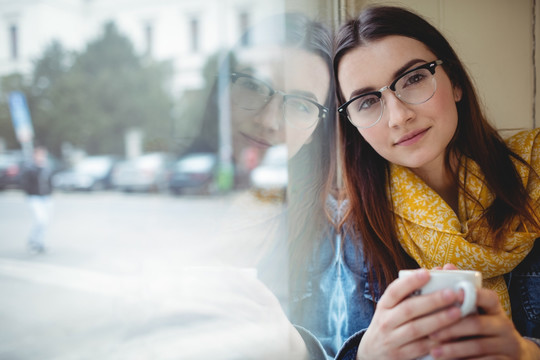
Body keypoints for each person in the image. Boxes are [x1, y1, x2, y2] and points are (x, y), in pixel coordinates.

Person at [309, 4, 540, 359]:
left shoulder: (534, 171)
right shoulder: (338, 233)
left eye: (414, 78)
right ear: (352, 124)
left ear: (457, 82)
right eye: (367, 101)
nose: (400, 116)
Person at [20, 146, 54, 253]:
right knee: (40, 220)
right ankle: (33, 240)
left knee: (45, 222)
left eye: (43, 155)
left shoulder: (47, 167)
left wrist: (50, 193)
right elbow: (24, 183)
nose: (41, 157)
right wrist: (29, 193)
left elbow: (50, 182)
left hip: (46, 197)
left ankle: (40, 243)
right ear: (34, 155)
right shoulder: (30, 168)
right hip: (34, 197)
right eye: (39, 154)